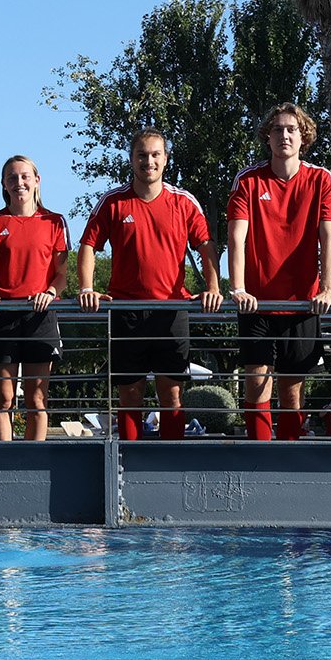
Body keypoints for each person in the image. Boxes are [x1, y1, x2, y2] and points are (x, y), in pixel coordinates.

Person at [77, 130, 222, 441]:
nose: (149, 161)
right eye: (142, 155)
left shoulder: (183, 202)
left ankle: (171, 461)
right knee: (130, 394)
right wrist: (86, 288)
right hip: (127, 311)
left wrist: (212, 286)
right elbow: (88, 245)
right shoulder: (113, 202)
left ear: (165, 160)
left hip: (171, 311)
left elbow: (206, 246)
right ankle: (129, 462)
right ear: (132, 159)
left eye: (156, 154)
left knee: (171, 394)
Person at [226, 103, 331, 441]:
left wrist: (328, 288)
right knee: (256, 378)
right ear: (268, 136)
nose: (284, 135)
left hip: (302, 302)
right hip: (257, 302)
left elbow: (329, 236)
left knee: (292, 386)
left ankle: (288, 452)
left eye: (291, 129)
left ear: (303, 136)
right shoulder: (248, 179)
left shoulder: (320, 178)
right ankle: (257, 453)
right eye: (277, 129)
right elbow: (236, 237)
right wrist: (238, 287)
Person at [0, 156, 71, 441]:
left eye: (25, 176)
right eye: (12, 178)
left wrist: (50, 292)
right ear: (4, 184)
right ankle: (2, 464)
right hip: (1, 317)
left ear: (37, 180)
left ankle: (34, 464)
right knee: (3, 400)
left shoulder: (54, 222)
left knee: (37, 400)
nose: (19, 183)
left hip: (40, 317)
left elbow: (62, 276)